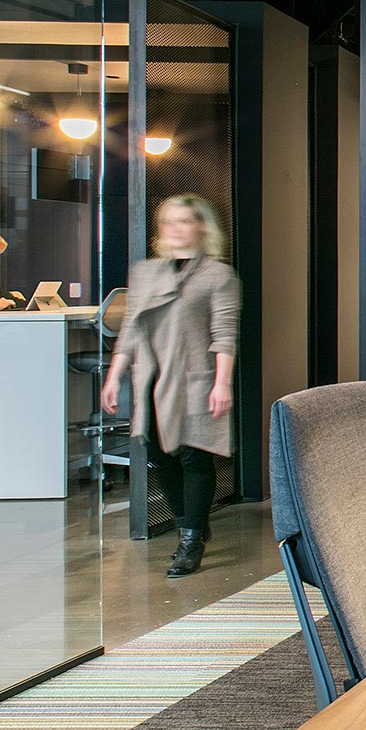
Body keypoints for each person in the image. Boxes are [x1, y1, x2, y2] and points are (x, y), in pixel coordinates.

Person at [101, 195, 241, 579]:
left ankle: (191, 539)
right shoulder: (146, 272)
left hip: (197, 376)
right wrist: (114, 375)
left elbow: (224, 333)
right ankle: (189, 520)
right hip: (152, 377)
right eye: (168, 222)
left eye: (184, 221)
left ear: (201, 227)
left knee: (195, 455)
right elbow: (130, 327)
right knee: (160, 455)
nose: (175, 229)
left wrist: (222, 383)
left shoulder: (218, 275)